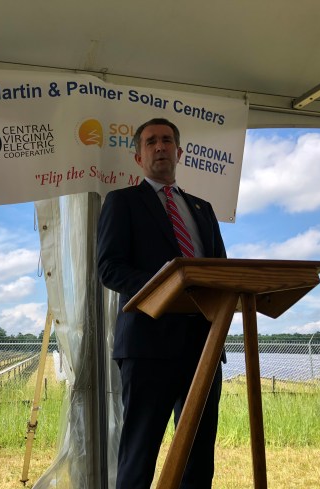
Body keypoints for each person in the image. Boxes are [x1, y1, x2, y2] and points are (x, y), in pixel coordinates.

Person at [97, 118, 227, 489]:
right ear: (138, 156)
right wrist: (171, 288)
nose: (160, 147)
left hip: (203, 346)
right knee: (140, 456)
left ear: (179, 152)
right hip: (147, 347)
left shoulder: (203, 209)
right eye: (151, 141)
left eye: (167, 140)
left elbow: (220, 271)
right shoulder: (122, 202)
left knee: (198, 458)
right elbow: (109, 268)